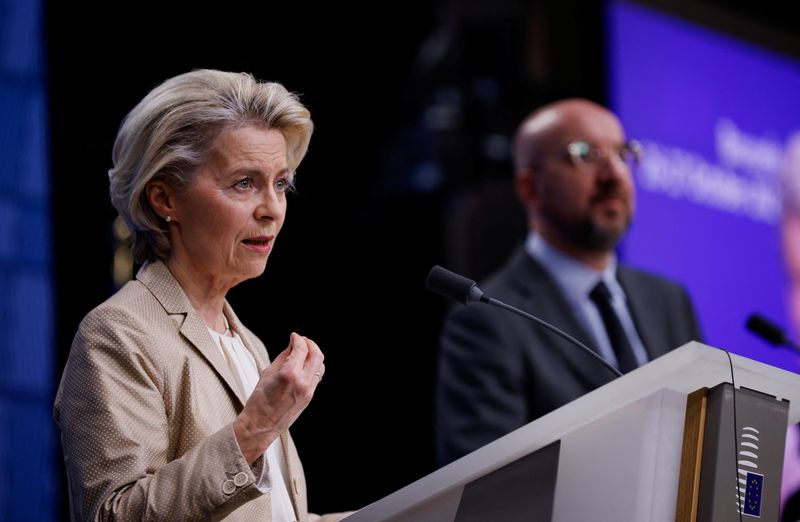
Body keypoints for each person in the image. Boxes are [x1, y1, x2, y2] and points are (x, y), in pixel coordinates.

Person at [54, 69, 350, 521]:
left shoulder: (246, 342)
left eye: (281, 184)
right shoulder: (117, 334)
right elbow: (114, 515)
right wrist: (253, 430)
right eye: (244, 183)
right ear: (163, 199)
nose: (272, 209)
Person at [434, 98, 703, 466]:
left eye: (623, 154)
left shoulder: (669, 300)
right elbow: (485, 488)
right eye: (585, 155)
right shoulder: (487, 319)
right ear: (529, 187)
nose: (615, 175)